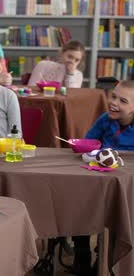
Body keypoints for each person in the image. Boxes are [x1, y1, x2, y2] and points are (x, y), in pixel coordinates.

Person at [66, 80, 134, 275]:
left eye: (123, 101)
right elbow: (88, 142)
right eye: (113, 96)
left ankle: (107, 257)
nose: (114, 102)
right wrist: (81, 146)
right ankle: (82, 252)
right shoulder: (105, 119)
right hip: (98, 177)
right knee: (79, 201)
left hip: (126, 182)